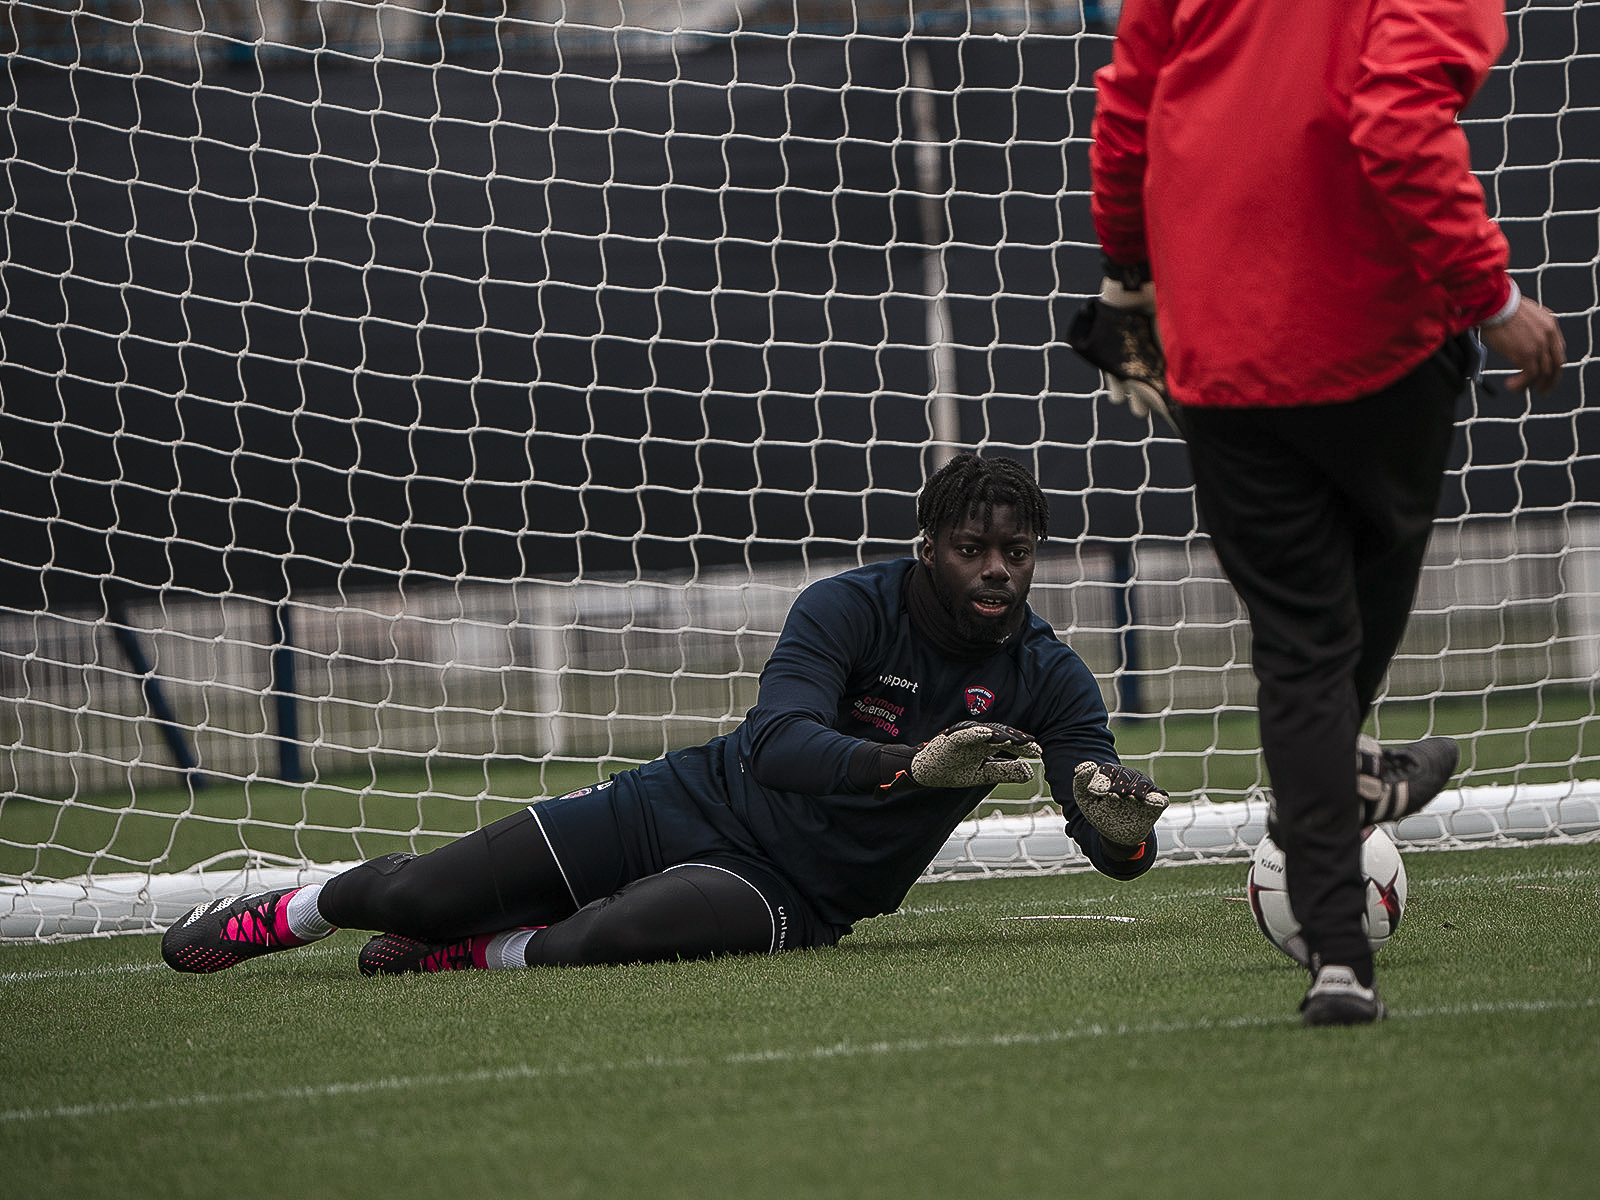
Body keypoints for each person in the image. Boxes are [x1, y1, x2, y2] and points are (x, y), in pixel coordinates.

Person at [162, 454, 1173, 978]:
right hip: (682, 802)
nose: (995, 570)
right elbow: (777, 745)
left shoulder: (1047, 674)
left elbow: (1103, 821)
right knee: (423, 889)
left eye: (1016, 552)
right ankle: (292, 914)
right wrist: (911, 769)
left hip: (794, 893)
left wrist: (1123, 835)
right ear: (928, 547)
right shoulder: (847, 606)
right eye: (970, 548)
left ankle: (470, 954)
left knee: (603, 940)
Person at [1072, 0, 1567, 1025]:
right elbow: (1392, 120)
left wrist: (1126, 273)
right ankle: (1340, 780)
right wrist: (1493, 297)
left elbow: (1127, 107)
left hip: (1225, 358)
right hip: (1379, 345)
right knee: (1342, 632)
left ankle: (1338, 962)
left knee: (1300, 651)